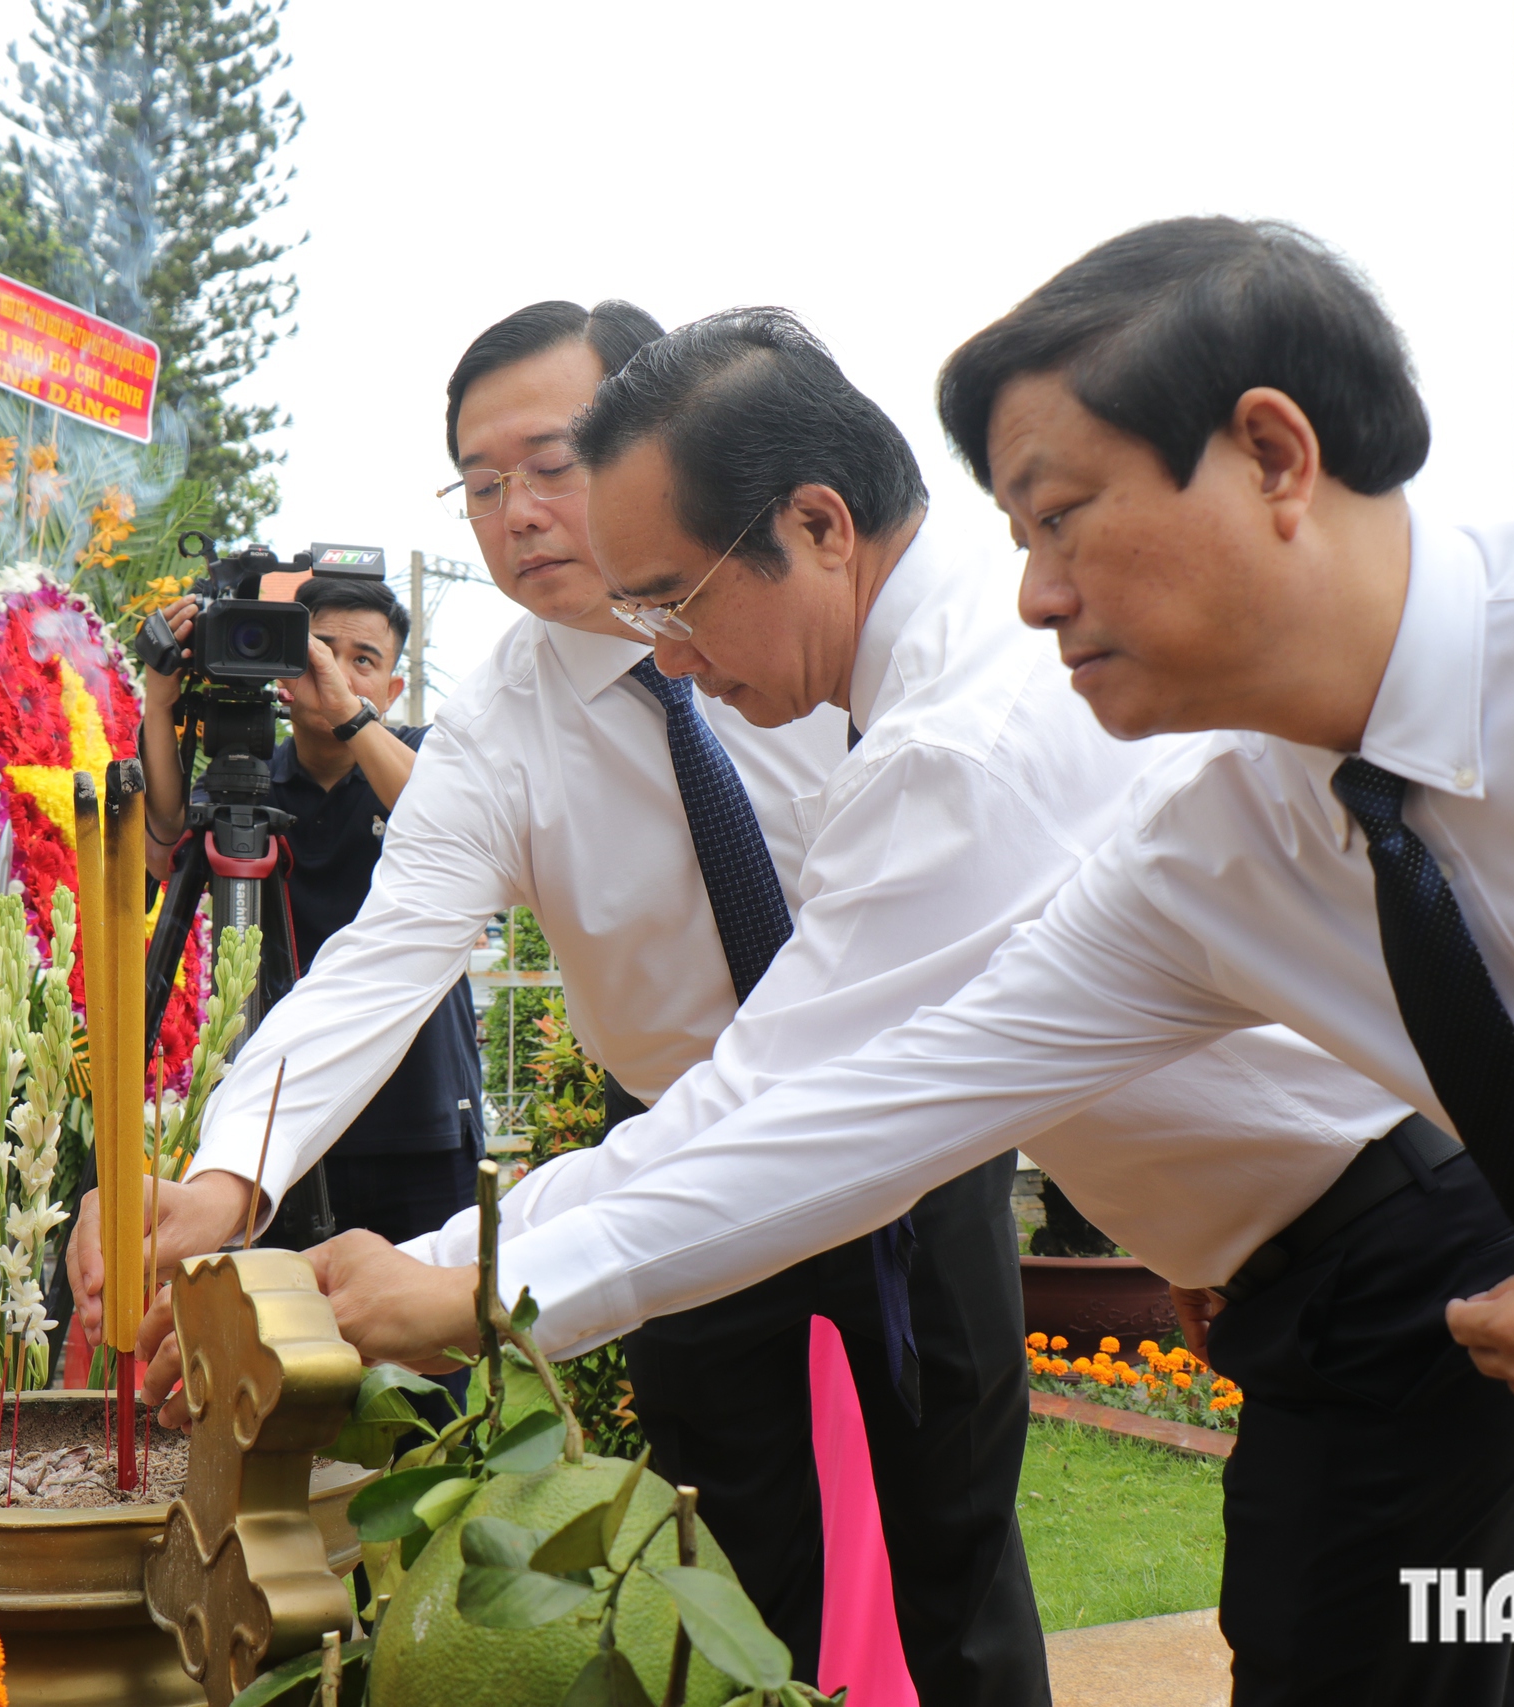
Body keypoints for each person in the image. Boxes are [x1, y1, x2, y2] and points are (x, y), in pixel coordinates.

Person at [310, 221, 1514, 1702]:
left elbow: (805, 1103)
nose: (1037, 588)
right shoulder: (1218, 836)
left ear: (1273, 454)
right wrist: (479, 1274)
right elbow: (852, 1103)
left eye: (1063, 517)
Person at [65, 300, 1036, 1693]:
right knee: (734, 1570)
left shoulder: (825, 635)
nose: (517, 512)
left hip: (913, 1128)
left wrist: (479, 1269)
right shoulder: (506, 717)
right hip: (669, 1160)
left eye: (552, 460)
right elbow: (386, 959)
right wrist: (230, 1178)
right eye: (477, 482)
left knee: (956, 1552)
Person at [131, 573, 484, 1250]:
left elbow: (450, 825)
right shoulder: (249, 777)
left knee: (427, 1347)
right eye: (319, 650)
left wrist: (352, 718)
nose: (340, 672)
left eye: (364, 660)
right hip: (279, 1122)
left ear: (392, 689)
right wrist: (158, 700)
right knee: (278, 1346)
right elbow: (163, 846)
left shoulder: (418, 756)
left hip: (419, 1118)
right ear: (284, 668)